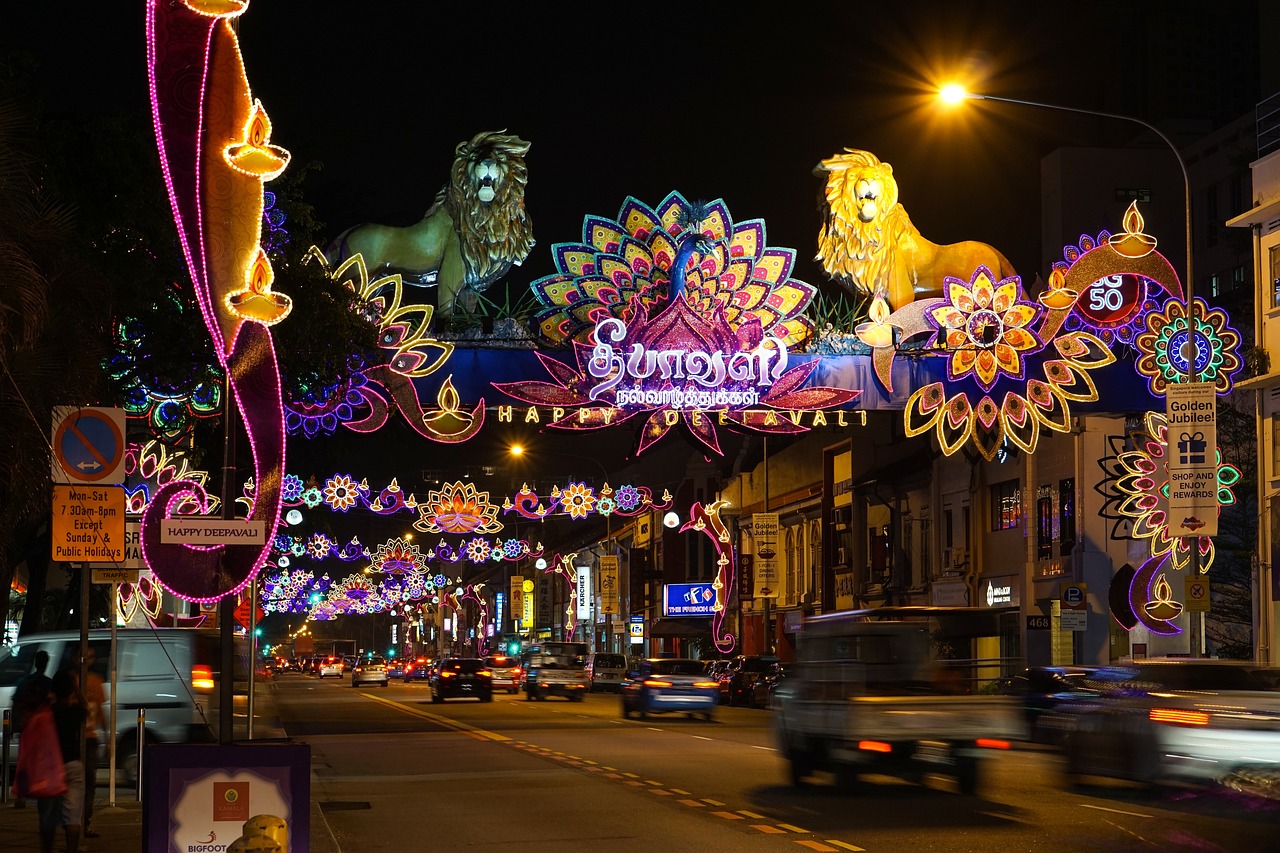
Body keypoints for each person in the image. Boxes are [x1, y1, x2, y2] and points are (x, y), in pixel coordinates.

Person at [47, 669, 86, 853]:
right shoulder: (74, 712)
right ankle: (72, 850)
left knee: (49, 812)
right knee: (73, 815)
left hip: (52, 766)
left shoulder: (48, 713)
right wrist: (76, 688)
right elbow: (85, 708)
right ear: (70, 691)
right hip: (73, 764)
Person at [10, 650, 55, 809]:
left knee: (24, 761)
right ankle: (43, 790)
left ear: (35, 663)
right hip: (43, 728)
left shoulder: (24, 682)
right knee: (43, 760)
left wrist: (15, 726)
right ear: (46, 663)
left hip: (26, 726)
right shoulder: (49, 684)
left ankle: (21, 796)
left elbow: (16, 704)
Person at [78, 649, 106, 839]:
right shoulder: (72, 680)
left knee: (88, 783)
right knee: (82, 783)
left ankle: (83, 823)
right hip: (76, 740)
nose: (88, 660)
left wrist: (106, 734)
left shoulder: (96, 681)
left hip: (90, 739)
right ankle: (77, 824)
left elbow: (100, 710)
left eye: (91, 656)